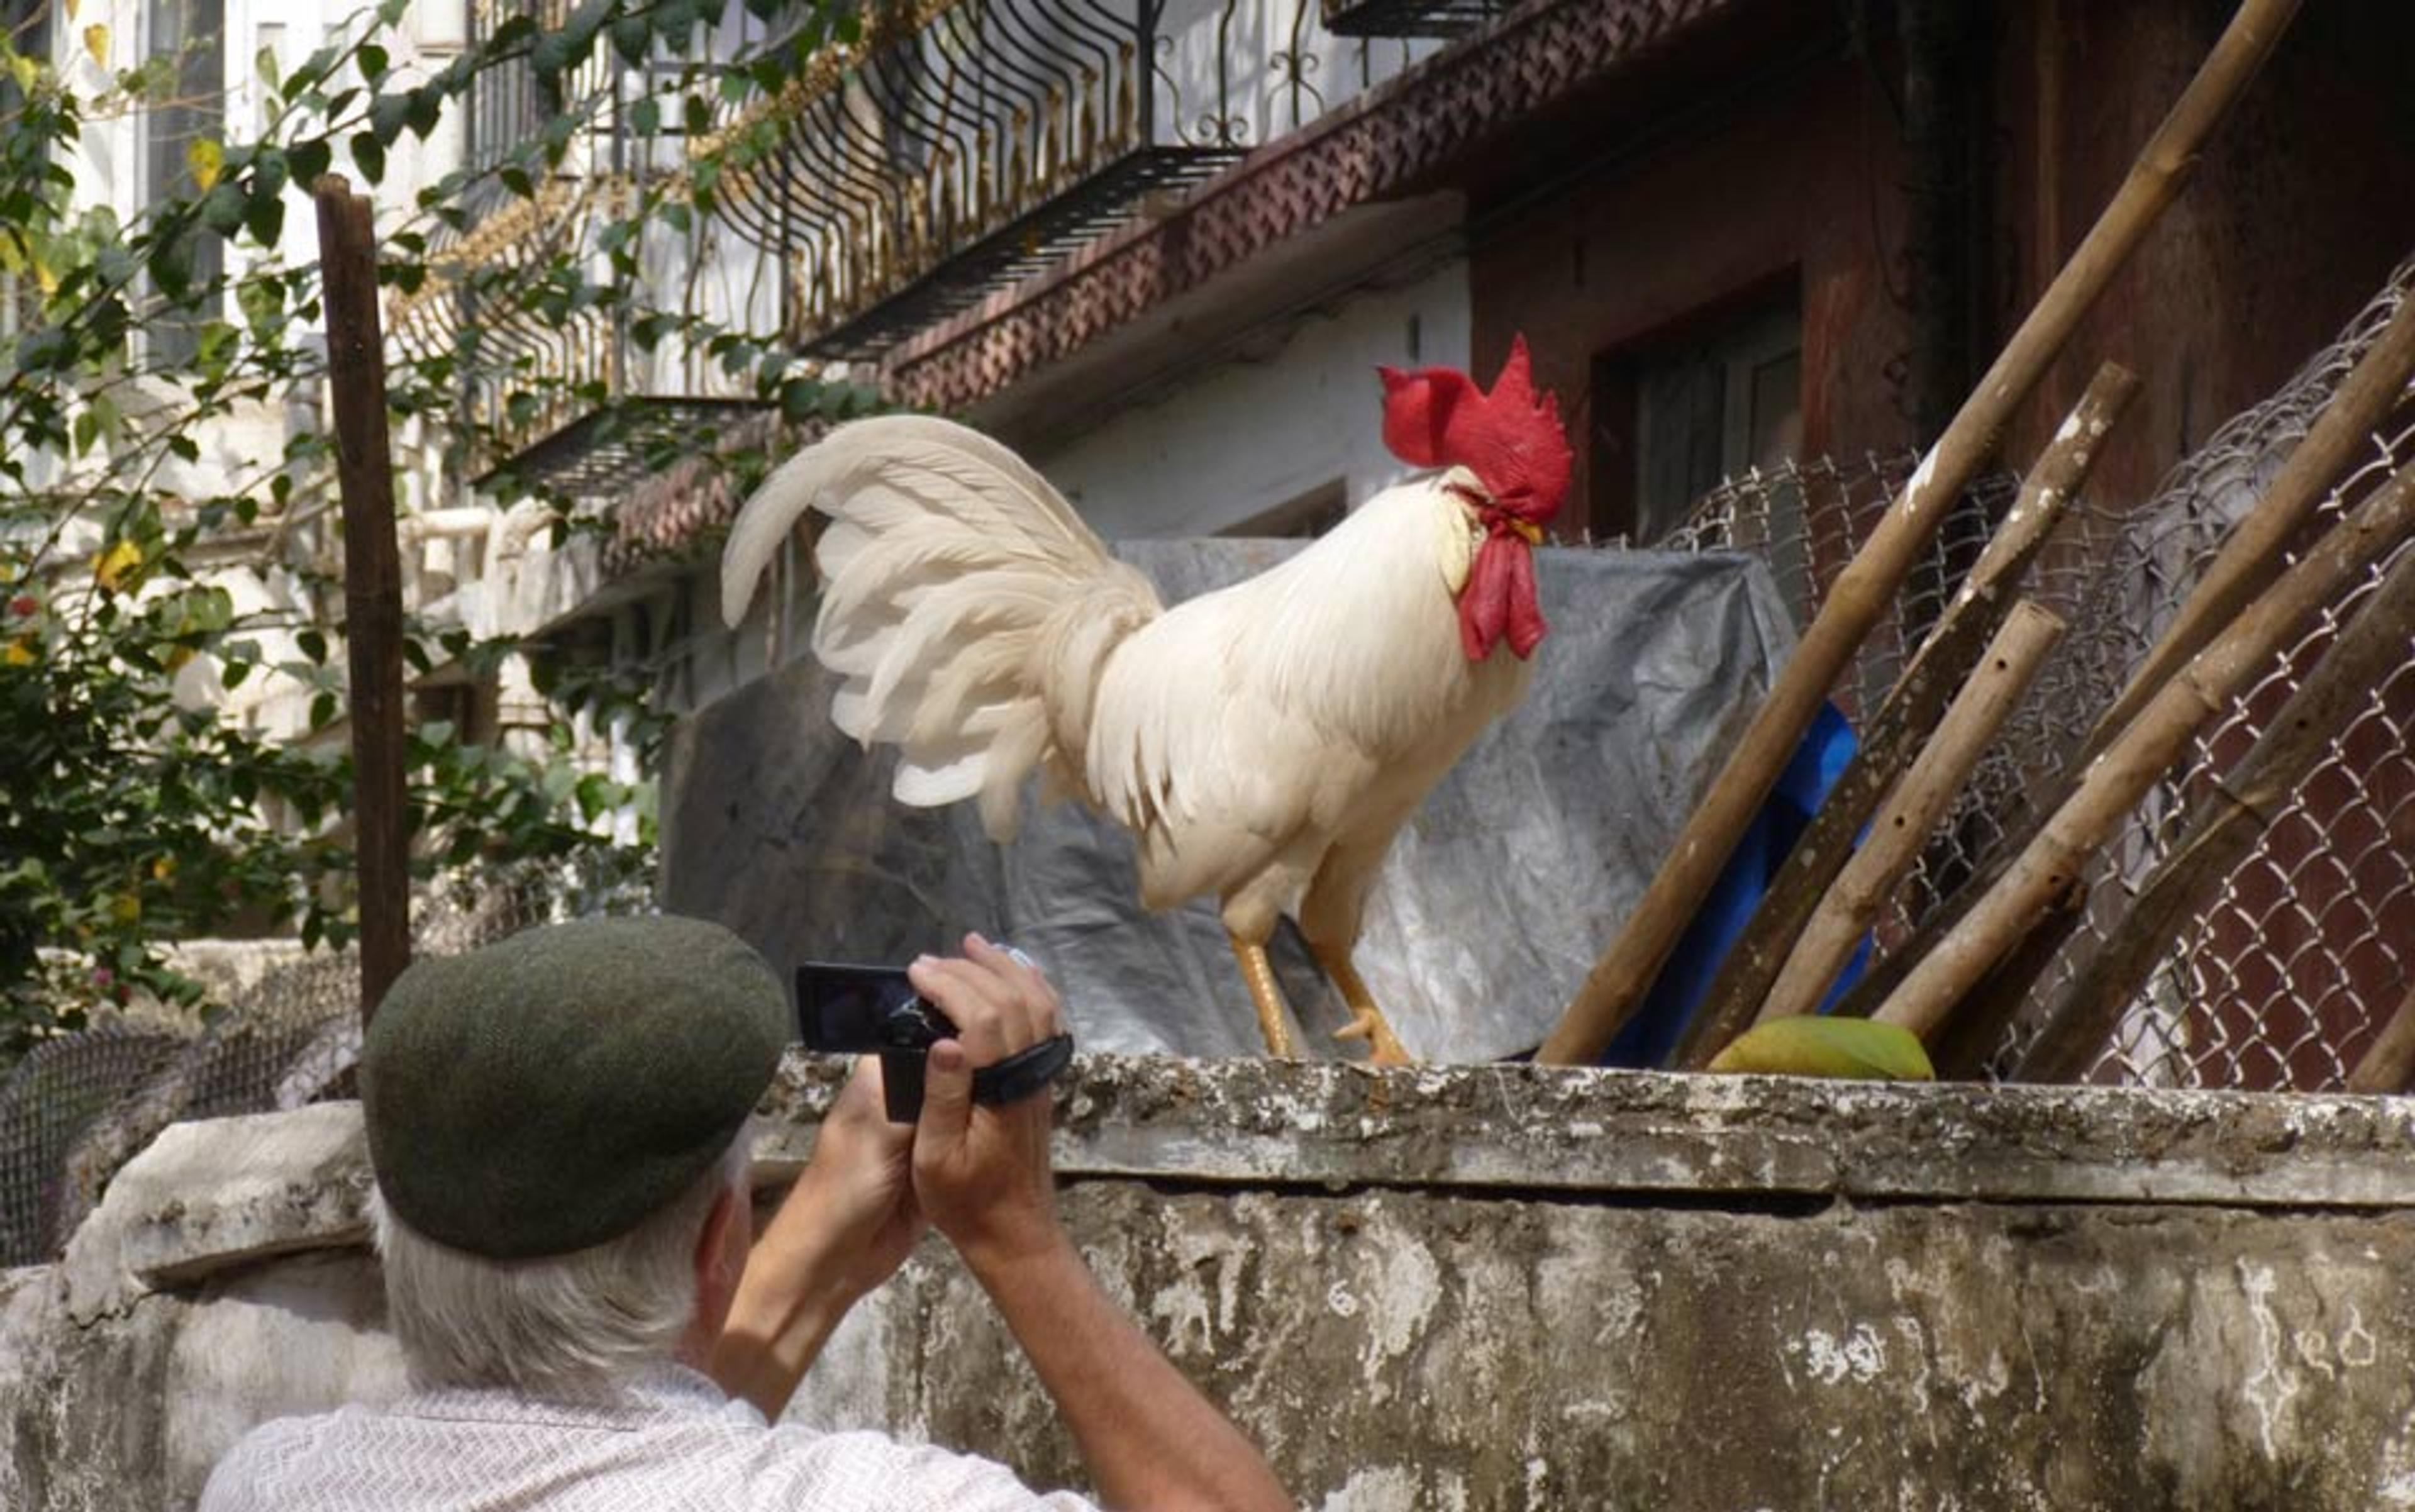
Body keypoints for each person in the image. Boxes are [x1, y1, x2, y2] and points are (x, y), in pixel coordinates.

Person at [198, 916, 1290, 1512]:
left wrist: (817, 1241)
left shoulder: (274, 1481)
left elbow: (616, 1456)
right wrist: (1017, 1239)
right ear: (723, 1244)